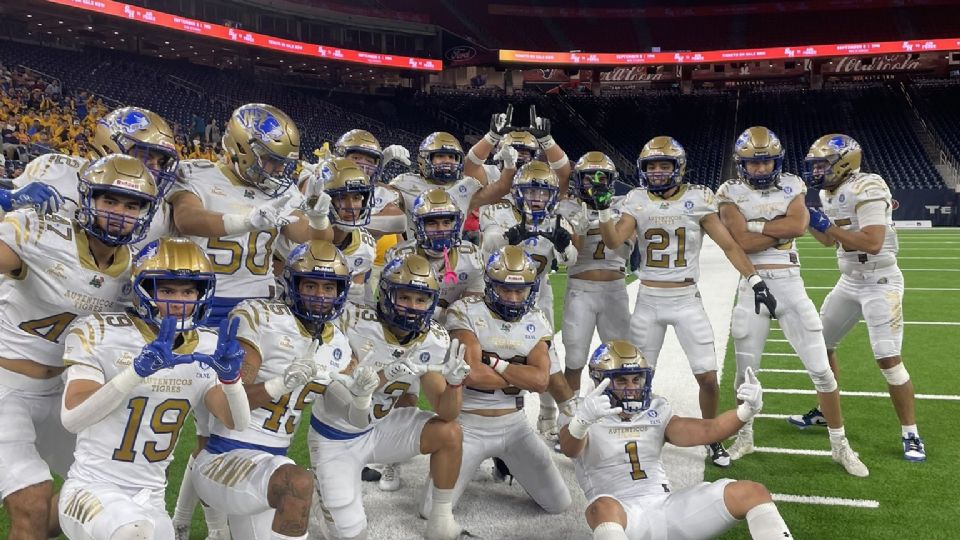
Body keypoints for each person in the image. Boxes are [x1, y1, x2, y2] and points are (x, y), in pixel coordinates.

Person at [168, 102, 332, 537]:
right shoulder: (199, 174)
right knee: (209, 428)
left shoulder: (277, 190)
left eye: (282, 162)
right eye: (269, 158)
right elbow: (184, 218)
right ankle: (196, 524)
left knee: (220, 428)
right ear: (240, 146)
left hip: (253, 316)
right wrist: (246, 218)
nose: (274, 169)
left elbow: (317, 244)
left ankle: (191, 523)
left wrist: (315, 211)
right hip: (199, 311)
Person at [0, 154, 159, 539]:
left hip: (64, 394)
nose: (120, 213)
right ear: (87, 199)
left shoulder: (139, 269)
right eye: (110, 200)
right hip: (7, 387)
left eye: (132, 204)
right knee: (34, 499)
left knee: (105, 491)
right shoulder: (39, 232)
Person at [598, 136, 777, 468]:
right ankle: (634, 435)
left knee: (707, 376)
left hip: (685, 298)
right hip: (648, 298)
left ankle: (712, 437)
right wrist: (601, 210)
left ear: (678, 168)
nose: (657, 173)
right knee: (636, 377)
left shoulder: (699, 198)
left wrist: (755, 279)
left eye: (664, 166)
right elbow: (613, 241)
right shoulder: (636, 200)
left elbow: (729, 245)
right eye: (652, 167)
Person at [58, 238, 250, 540]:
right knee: (131, 534)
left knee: (139, 531)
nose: (180, 300)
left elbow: (237, 422)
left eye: (189, 291)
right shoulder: (101, 332)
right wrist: (135, 373)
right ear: (144, 289)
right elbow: (72, 420)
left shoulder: (207, 344)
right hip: (92, 489)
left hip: (151, 500)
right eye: (168, 290)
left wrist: (232, 381)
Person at [718, 127, 868, 477]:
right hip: (751, 287)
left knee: (821, 369)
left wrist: (756, 226)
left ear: (777, 159)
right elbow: (738, 241)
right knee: (745, 374)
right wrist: (773, 226)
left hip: (790, 285)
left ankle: (839, 444)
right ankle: (745, 436)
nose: (759, 169)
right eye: (753, 164)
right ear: (741, 165)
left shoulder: (793, 184)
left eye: (766, 161)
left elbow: (799, 226)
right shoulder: (728, 191)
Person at [191, 240, 361, 540]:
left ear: (341, 291)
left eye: (329, 288)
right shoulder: (261, 318)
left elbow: (354, 419)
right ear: (292, 284)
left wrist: (362, 395)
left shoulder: (338, 342)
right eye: (311, 285)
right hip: (223, 457)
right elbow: (231, 405)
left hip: (269, 469)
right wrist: (279, 384)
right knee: (298, 481)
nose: (320, 296)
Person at [559, 341, 792, 540]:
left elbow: (709, 430)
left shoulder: (655, 409)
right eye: (622, 382)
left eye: (636, 380)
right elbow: (570, 449)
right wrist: (583, 421)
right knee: (602, 507)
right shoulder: (582, 411)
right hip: (621, 513)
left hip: (665, 506)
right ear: (601, 380)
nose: (632, 388)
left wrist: (746, 411)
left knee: (753, 492)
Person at [309, 253, 470, 540]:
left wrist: (455, 384)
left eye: (422, 300)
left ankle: (441, 519)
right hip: (336, 436)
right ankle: (324, 496)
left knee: (449, 432)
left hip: (379, 428)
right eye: (405, 297)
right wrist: (392, 371)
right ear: (385, 294)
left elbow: (447, 413)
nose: (413, 307)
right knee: (349, 535)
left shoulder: (431, 338)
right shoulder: (352, 320)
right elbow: (347, 398)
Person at [790, 133, 924, 461]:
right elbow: (827, 242)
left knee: (888, 360)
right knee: (821, 344)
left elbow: (872, 242)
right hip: (850, 280)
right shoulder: (827, 191)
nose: (817, 171)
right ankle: (825, 409)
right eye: (815, 165)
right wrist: (808, 220)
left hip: (881, 280)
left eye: (822, 164)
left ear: (844, 162)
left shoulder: (869, 186)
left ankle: (911, 432)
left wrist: (829, 227)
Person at [421, 245, 572, 517]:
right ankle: (500, 462)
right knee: (430, 511)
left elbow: (540, 381)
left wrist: (493, 362)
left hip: (515, 425)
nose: (514, 297)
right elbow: (472, 373)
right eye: (505, 289)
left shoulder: (536, 318)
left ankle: (509, 461)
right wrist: (518, 370)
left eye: (520, 290)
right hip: (469, 424)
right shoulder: (465, 310)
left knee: (559, 503)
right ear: (490, 286)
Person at [479, 160, 578, 439]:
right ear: (518, 191)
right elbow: (486, 249)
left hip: (538, 296)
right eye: (531, 192)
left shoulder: (557, 218)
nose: (537, 198)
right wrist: (509, 237)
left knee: (547, 359)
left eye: (543, 192)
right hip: (499, 295)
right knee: (495, 354)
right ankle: (486, 421)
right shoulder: (498, 211)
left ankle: (549, 417)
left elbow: (568, 261)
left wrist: (564, 245)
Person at [556, 152, 634, 395]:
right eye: (589, 178)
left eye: (602, 178)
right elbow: (569, 258)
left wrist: (603, 212)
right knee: (575, 358)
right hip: (581, 290)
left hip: (615, 290)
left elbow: (623, 251)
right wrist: (578, 228)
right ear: (578, 180)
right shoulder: (566, 207)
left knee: (620, 355)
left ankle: (619, 408)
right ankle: (570, 416)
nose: (595, 184)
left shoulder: (623, 205)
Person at [385, 188, 485, 323]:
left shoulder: (472, 256)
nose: (441, 230)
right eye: (432, 223)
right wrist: (440, 314)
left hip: (455, 324)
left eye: (446, 223)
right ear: (419, 225)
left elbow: (472, 309)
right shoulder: (399, 257)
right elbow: (391, 305)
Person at [387, 131, 517, 235]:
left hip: (453, 256)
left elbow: (502, 188)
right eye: (440, 156)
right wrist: (382, 161)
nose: (448, 161)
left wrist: (510, 165)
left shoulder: (465, 186)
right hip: (416, 257)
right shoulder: (406, 182)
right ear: (425, 159)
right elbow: (376, 198)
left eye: (452, 157)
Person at [464, 105, 572, 196]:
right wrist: (491, 137)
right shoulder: (490, 173)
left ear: (534, 156)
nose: (518, 155)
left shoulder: (541, 175)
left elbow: (564, 176)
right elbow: (469, 166)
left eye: (524, 152)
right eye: (512, 150)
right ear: (500, 152)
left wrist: (547, 141)